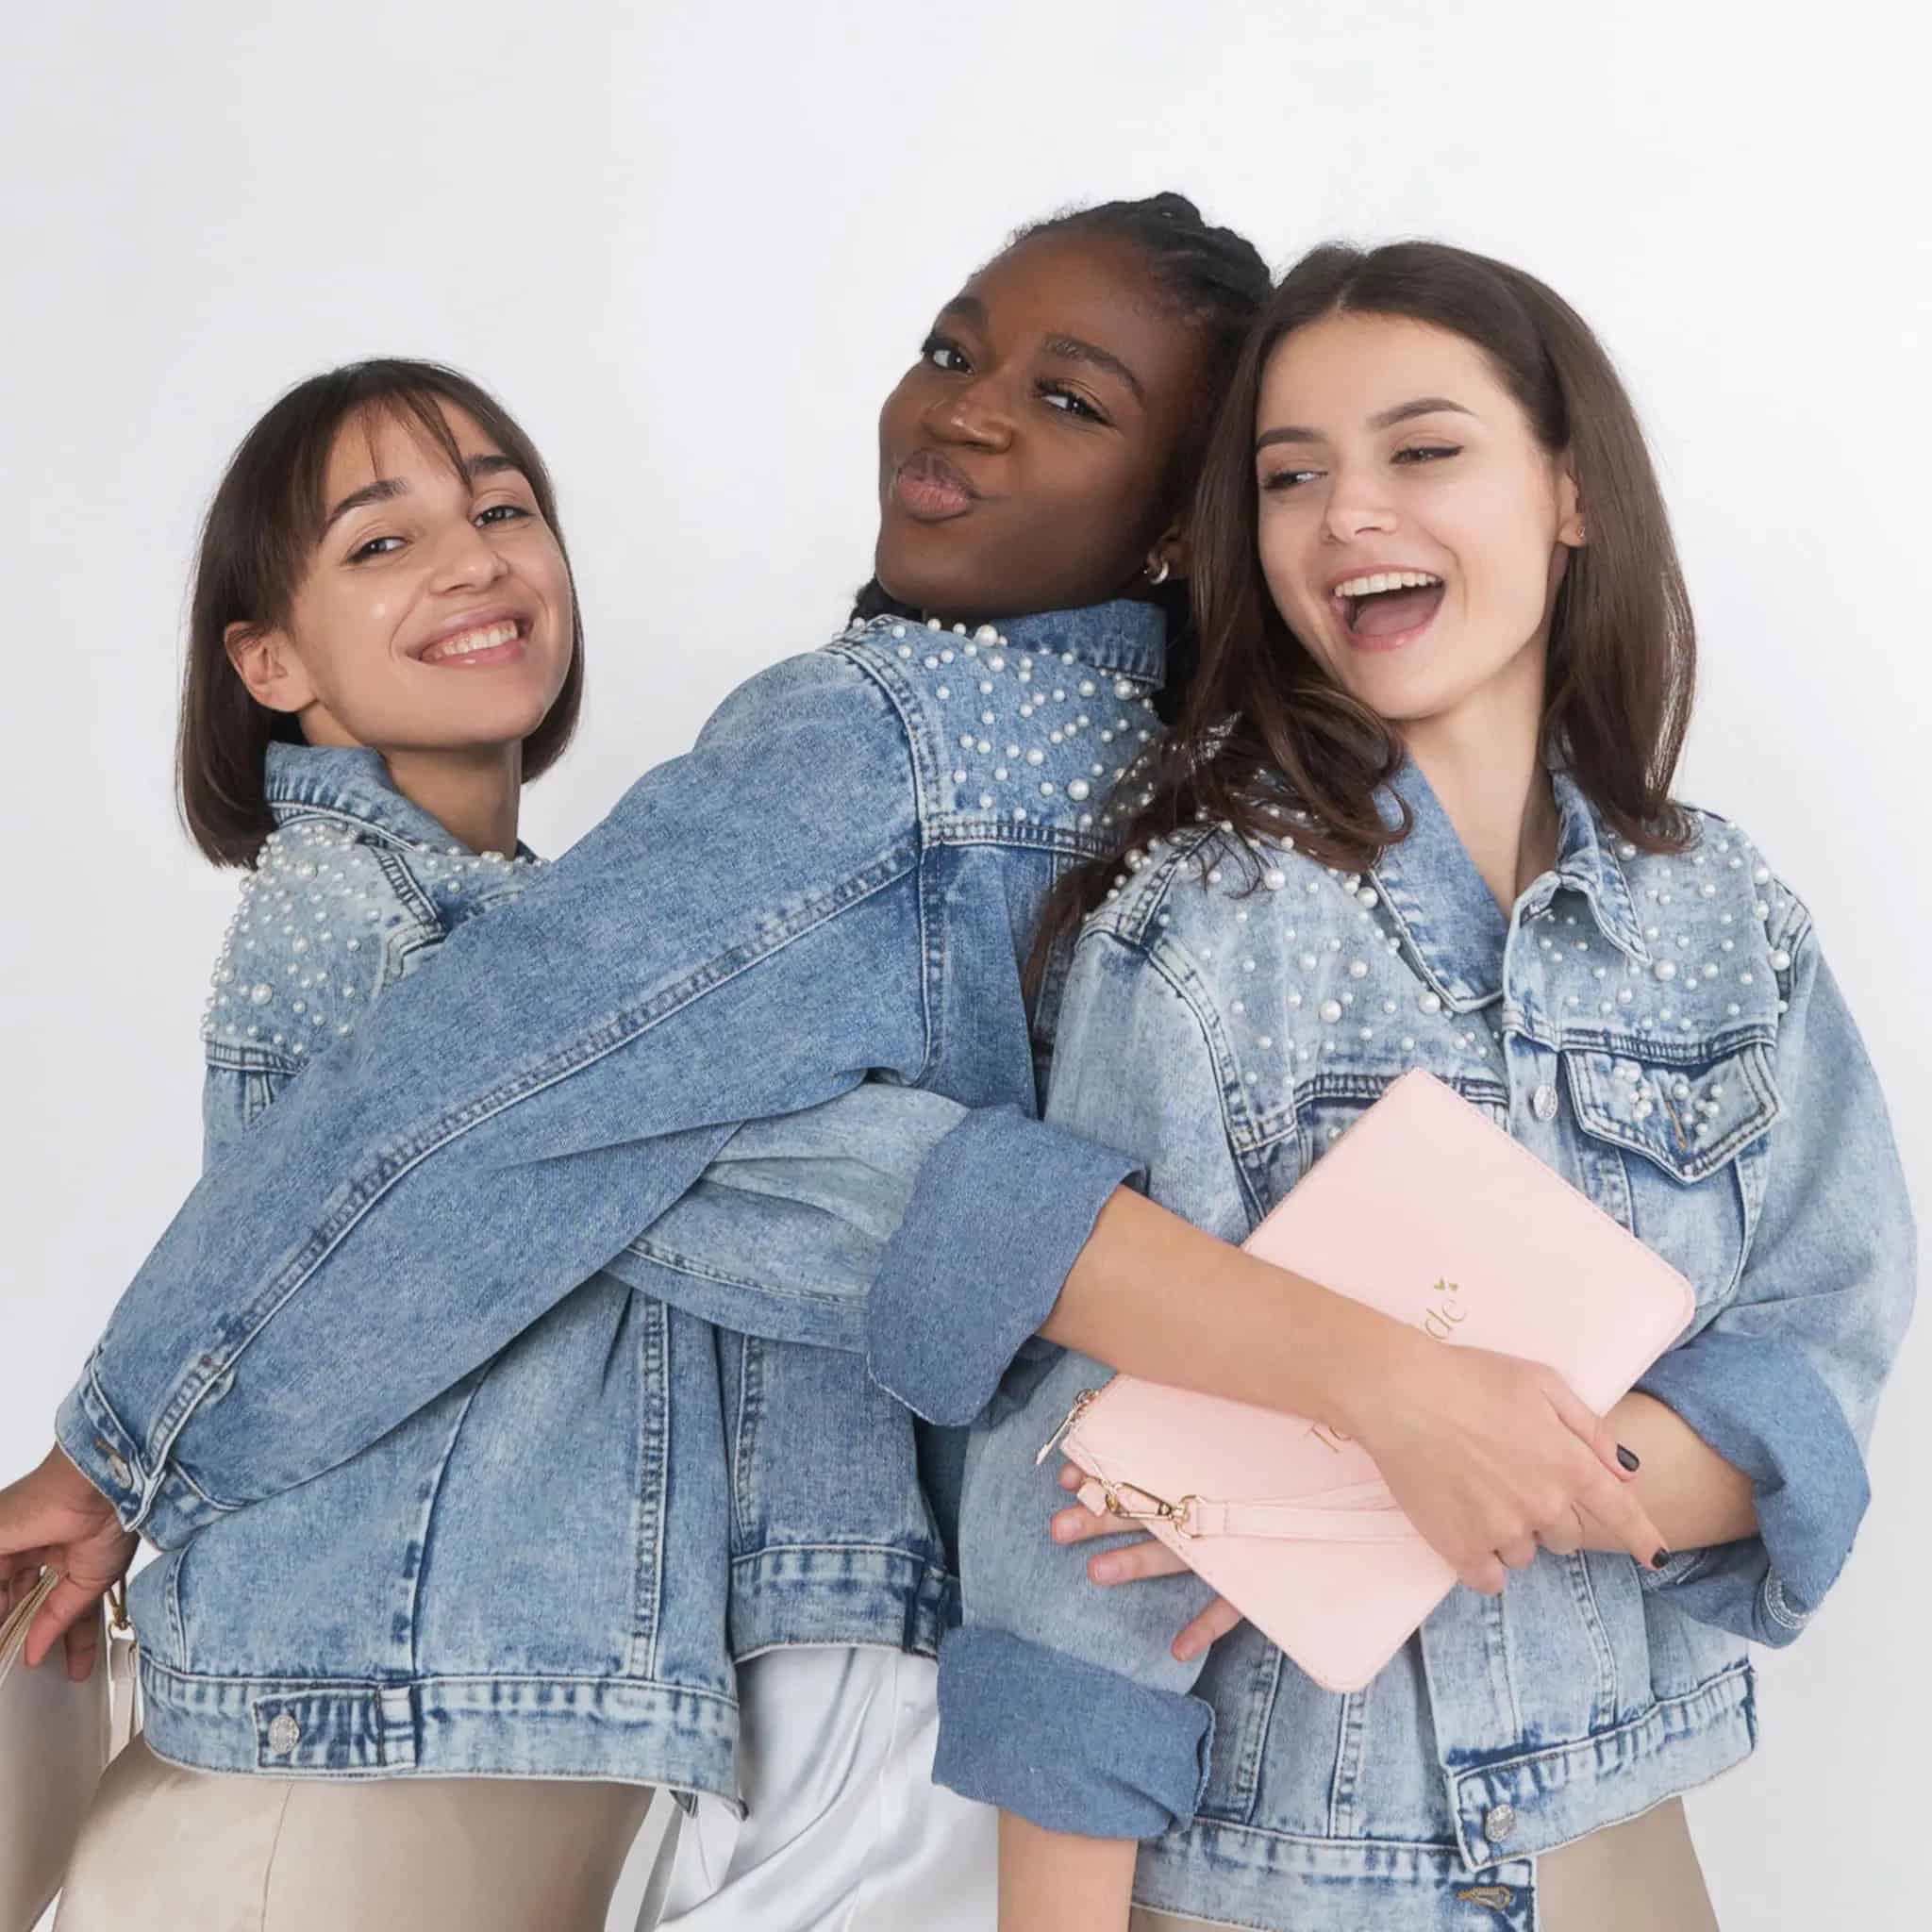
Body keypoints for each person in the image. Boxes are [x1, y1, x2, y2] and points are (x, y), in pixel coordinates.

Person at [1, 206, 1661, 1928]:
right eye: (951, 352)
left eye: (1073, 400)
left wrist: (131, 1442)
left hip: (576, 1699)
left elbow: (487, 1099)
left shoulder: (889, 732)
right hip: (1087, 1693)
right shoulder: (1214, 801)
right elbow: (697, 1157)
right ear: (261, 661)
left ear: (1182, 523)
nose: (968, 409)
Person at [931, 240, 1916, 1932]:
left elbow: (1819, 1366)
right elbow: (1074, 1534)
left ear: (1570, 487)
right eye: (1291, 475)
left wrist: (1428, 1457)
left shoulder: (1723, 915)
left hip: (1628, 1841)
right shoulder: (1199, 932)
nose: (1345, 514)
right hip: (1288, 1888)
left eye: (1423, 449)